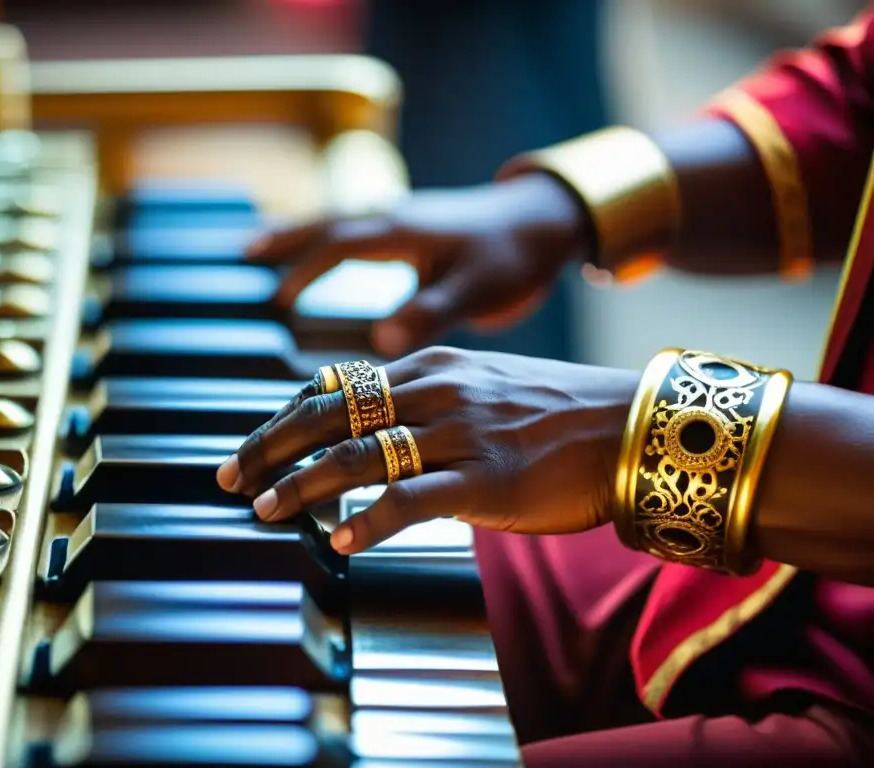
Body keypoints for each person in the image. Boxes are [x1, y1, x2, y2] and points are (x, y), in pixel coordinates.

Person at [215, 7, 874, 766]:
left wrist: (634, 434)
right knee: (304, 566)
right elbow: (862, 93)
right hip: (787, 563)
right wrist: (560, 204)